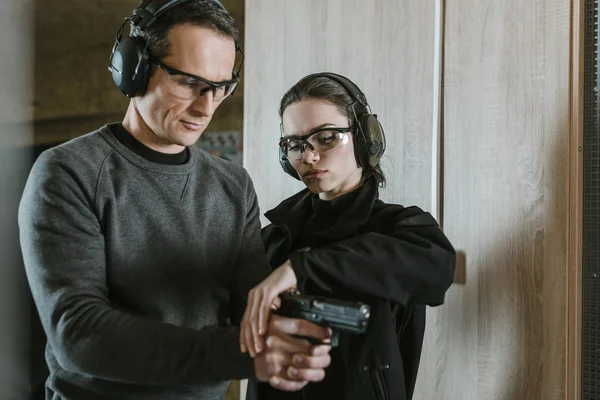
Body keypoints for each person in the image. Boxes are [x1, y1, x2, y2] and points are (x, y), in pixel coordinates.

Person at [18, 1, 332, 399]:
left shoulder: (232, 185)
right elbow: (79, 333)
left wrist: (296, 327)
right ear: (135, 68)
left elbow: (251, 309)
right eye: (188, 82)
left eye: (221, 88)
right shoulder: (68, 171)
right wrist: (245, 353)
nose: (206, 107)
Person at [241, 72, 457, 400]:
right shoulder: (273, 238)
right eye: (296, 144)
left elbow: (438, 268)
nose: (309, 157)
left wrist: (303, 268)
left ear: (364, 136)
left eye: (326, 138)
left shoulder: (403, 229)